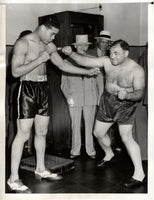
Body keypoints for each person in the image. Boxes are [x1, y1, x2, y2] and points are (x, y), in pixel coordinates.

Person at [7, 16, 99, 193]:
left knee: (42, 132)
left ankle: (40, 169)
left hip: (43, 88)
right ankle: (13, 178)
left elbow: (63, 64)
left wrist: (86, 72)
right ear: (42, 28)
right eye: (52, 34)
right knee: (23, 134)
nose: (53, 39)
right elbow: (15, 71)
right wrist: (39, 60)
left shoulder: (48, 45)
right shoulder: (23, 43)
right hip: (27, 88)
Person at [62, 39, 145, 188]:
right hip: (107, 101)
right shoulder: (107, 62)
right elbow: (85, 61)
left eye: (116, 53)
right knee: (98, 133)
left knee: (126, 137)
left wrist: (127, 95)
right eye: (110, 52)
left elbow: (139, 93)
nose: (112, 56)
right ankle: (109, 154)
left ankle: (139, 174)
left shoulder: (136, 70)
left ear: (126, 53)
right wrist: (71, 54)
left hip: (126, 104)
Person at [61, 35, 103, 159]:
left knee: (90, 125)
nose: (83, 47)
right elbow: (64, 84)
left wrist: (99, 97)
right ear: (75, 46)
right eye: (80, 45)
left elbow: (100, 81)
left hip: (91, 98)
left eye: (85, 45)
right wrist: (68, 96)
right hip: (74, 98)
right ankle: (75, 150)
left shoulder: (94, 60)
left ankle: (90, 150)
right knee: (75, 125)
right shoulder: (67, 62)